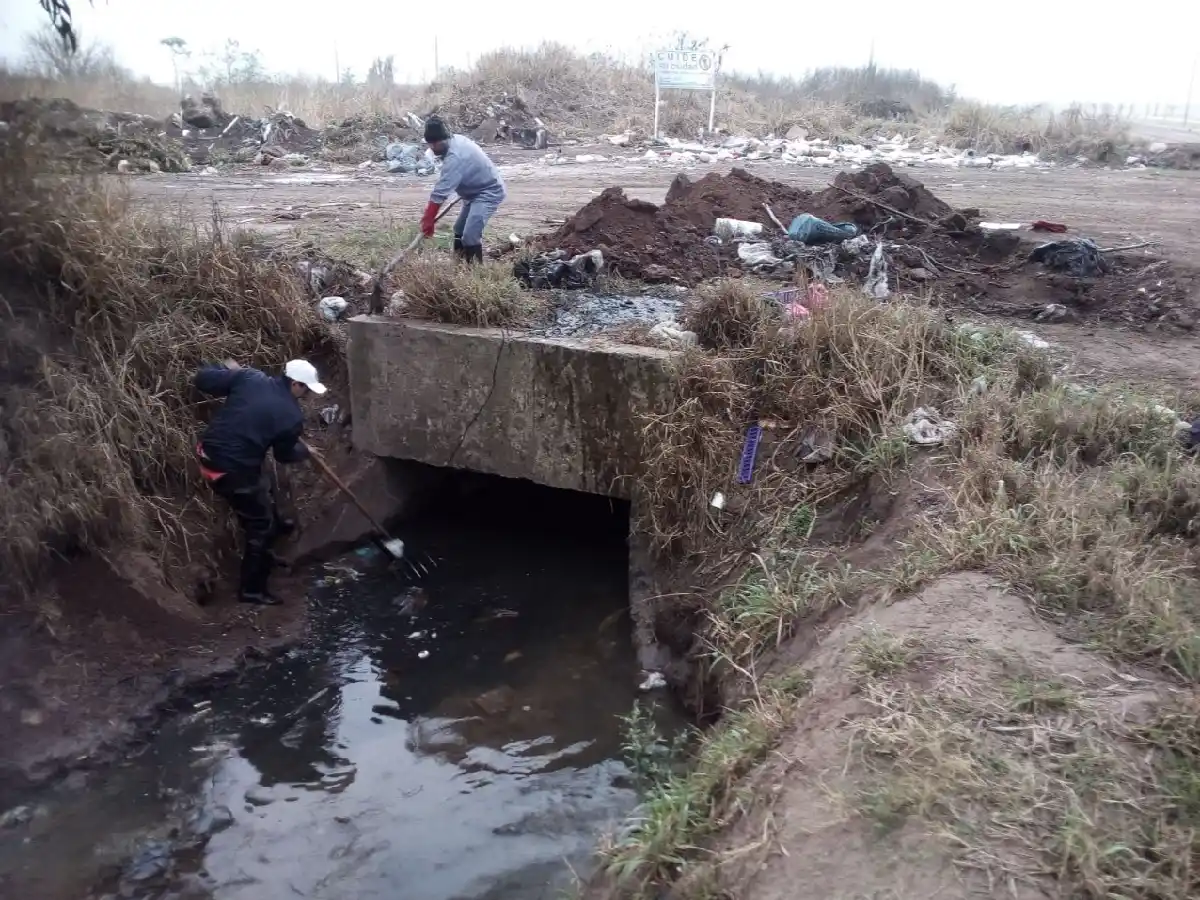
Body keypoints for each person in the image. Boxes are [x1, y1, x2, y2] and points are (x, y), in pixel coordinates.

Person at [194, 358, 326, 605]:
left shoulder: (249, 377)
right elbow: (284, 455)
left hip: (207, 452)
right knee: (260, 526)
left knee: (261, 485)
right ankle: (252, 590)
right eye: (306, 389)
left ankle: (278, 526)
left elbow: (203, 379)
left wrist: (227, 372)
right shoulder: (291, 416)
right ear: (296, 384)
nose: (307, 395)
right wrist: (305, 452)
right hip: (230, 470)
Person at [420, 116, 506, 264]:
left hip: (488, 191)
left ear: (444, 140)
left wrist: (429, 218)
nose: (432, 148)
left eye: (435, 144)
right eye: (430, 144)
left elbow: (441, 191)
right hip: (472, 192)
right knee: (459, 230)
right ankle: (458, 266)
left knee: (470, 236)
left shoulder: (455, 157)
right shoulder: (455, 140)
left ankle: (474, 275)